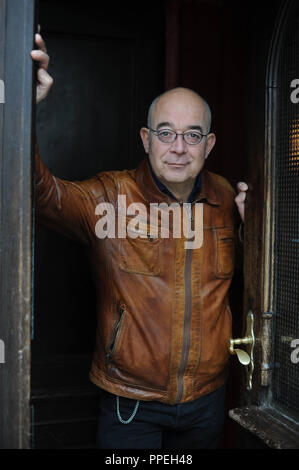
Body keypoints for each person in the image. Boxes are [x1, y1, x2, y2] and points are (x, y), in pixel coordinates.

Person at [31, 30, 248, 449]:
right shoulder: (111, 197)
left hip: (208, 400)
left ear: (209, 144)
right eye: (166, 133)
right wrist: (25, 105)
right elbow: (38, 194)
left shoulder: (226, 197)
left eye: (193, 135)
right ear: (146, 140)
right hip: (131, 404)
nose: (179, 148)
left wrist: (250, 230)